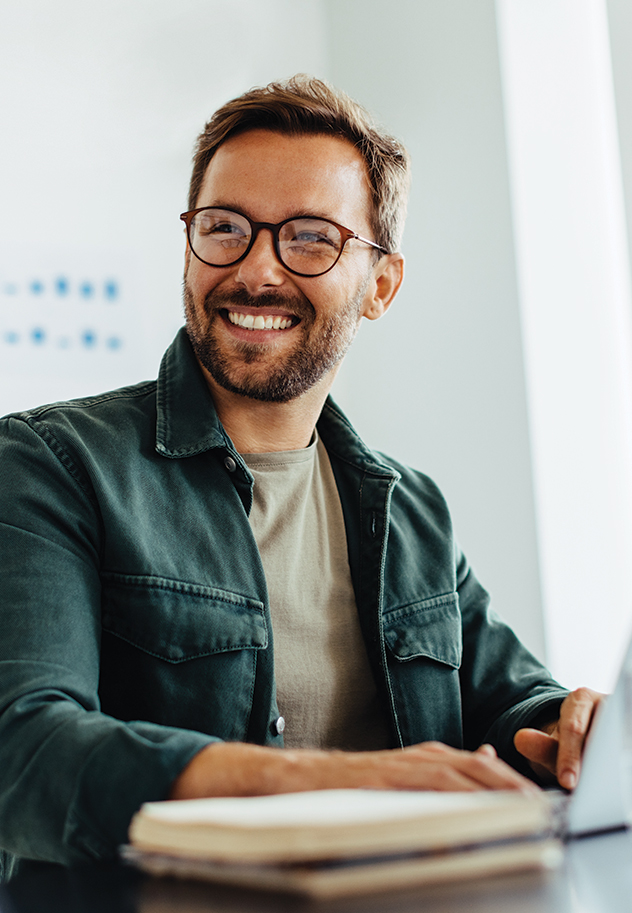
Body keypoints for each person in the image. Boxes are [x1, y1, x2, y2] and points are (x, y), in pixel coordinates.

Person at [0, 76, 601, 870]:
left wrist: (572, 726)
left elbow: (508, 703)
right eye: (225, 228)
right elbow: (25, 750)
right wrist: (334, 784)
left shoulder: (410, 507)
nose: (257, 270)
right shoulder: (52, 463)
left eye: (311, 238)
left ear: (379, 286)